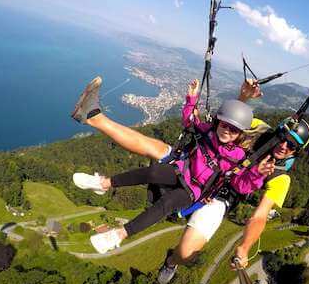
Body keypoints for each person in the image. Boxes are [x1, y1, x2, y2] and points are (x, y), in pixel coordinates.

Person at [71, 78, 274, 254]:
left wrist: (256, 174)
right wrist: (191, 100)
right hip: (182, 170)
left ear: (240, 134)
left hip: (194, 190)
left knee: (166, 204)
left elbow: (241, 184)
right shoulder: (209, 132)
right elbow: (189, 122)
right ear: (218, 122)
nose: (227, 131)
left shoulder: (237, 156)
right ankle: (103, 184)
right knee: (152, 171)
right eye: (224, 125)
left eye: (233, 130)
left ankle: (118, 236)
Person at [157, 81, 309, 284]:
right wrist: (243, 97)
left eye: (291, 145)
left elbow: (260, 217)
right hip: (208, 165)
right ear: (277, 132)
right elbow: (229, 122)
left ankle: (172, 261)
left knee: (187, 253)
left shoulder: (280, 177)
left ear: (296, 152)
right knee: (155, 149)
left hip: (222, 195)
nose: (283, 145)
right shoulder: (259, 129)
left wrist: (244, 248)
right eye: (282, 137)